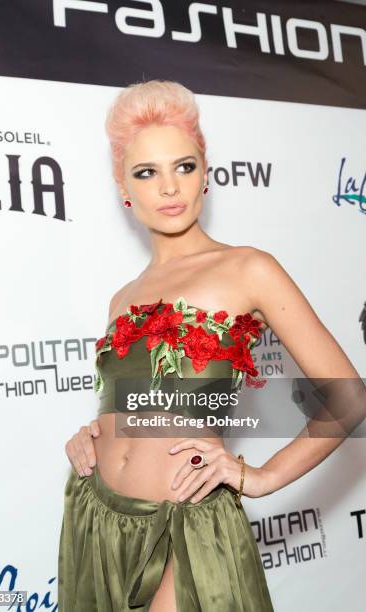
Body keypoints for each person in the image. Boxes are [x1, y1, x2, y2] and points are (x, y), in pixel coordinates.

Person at [57, 79, 363, 612]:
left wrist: (259, 476)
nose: (169, 188)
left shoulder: (248, 268)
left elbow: (350, 399)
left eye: (184, 166)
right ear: (123, 188)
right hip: (97, 519)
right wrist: (91, 435)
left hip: (184, 522)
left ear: (206, 175)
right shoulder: (122, 297)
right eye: (146, 173)